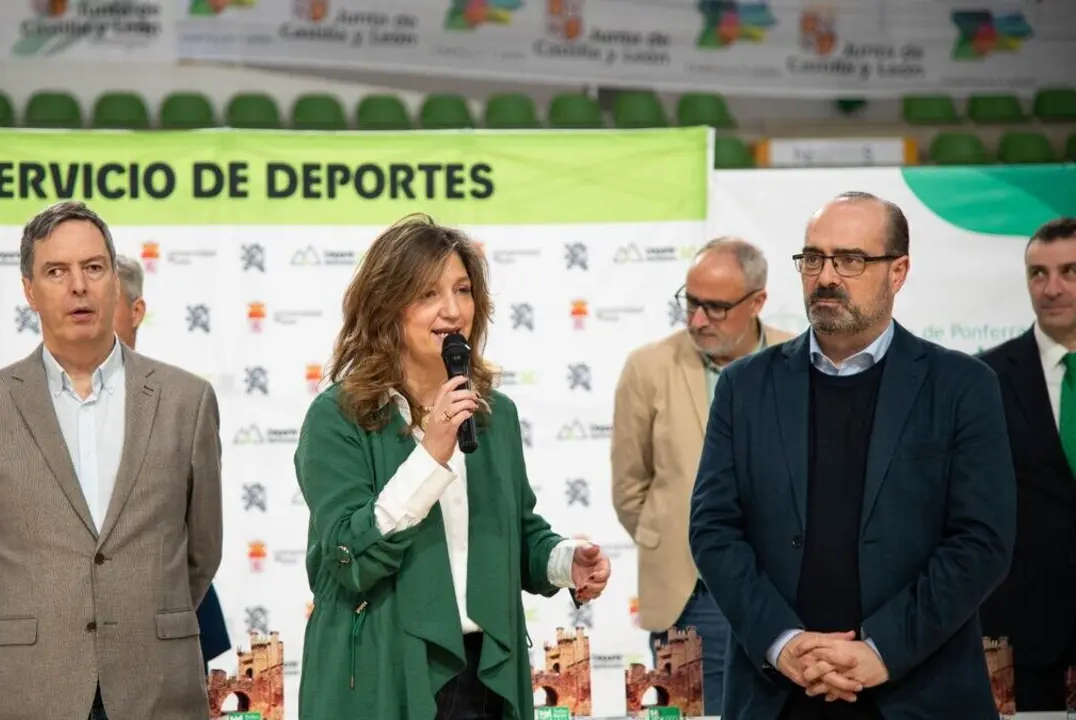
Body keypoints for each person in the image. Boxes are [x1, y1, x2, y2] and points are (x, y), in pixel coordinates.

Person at [689, 191, 1015, 719]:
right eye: (813, 258)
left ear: (899, 271)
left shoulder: (962, 387)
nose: (825, 276)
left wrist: (881, 650)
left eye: (851, 260)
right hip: (780, 694)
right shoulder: (744, 387)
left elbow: (982, 542)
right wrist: (783, 643)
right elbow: (713, 529)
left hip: (919, 692)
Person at [294, 214, 612, 720]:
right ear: (385, 307)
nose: (452, 310)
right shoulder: (338, 416)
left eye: (462, 291)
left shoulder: (494, 413)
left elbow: (515, 530)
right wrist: (429, 455)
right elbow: (348, 555)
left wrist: (562, 561)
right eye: (427, 294)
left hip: (483, 674)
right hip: (382, 671)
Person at [0, 201, 223, 720]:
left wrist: (140, 619)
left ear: (115, 279)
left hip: (156, 687)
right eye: (56, 271)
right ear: (29, 291)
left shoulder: (187, 400)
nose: (78, 286)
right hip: (29, 688)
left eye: (93, 268)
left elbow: (202, 552)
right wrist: (30, 638)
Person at [612, 237, 793, 715]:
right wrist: (676, 540)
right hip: (689, 595)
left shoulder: (796, 361)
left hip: (789, 592)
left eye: (714, 308)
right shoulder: (648, 367)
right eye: (690, 303)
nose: (696, 320)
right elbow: (630, 487)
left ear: (757, 302)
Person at [113, 254, 231, 667]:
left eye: (104, 301)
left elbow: (204, 541)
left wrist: (166, 614)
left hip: (172, 628)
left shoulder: (183, 401)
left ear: (136, 310)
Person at [979, 217, 1076, 711]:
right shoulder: (984, 378)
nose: (1051, 288)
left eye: (1069, 271)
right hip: (1025, 632)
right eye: (1038, 273)